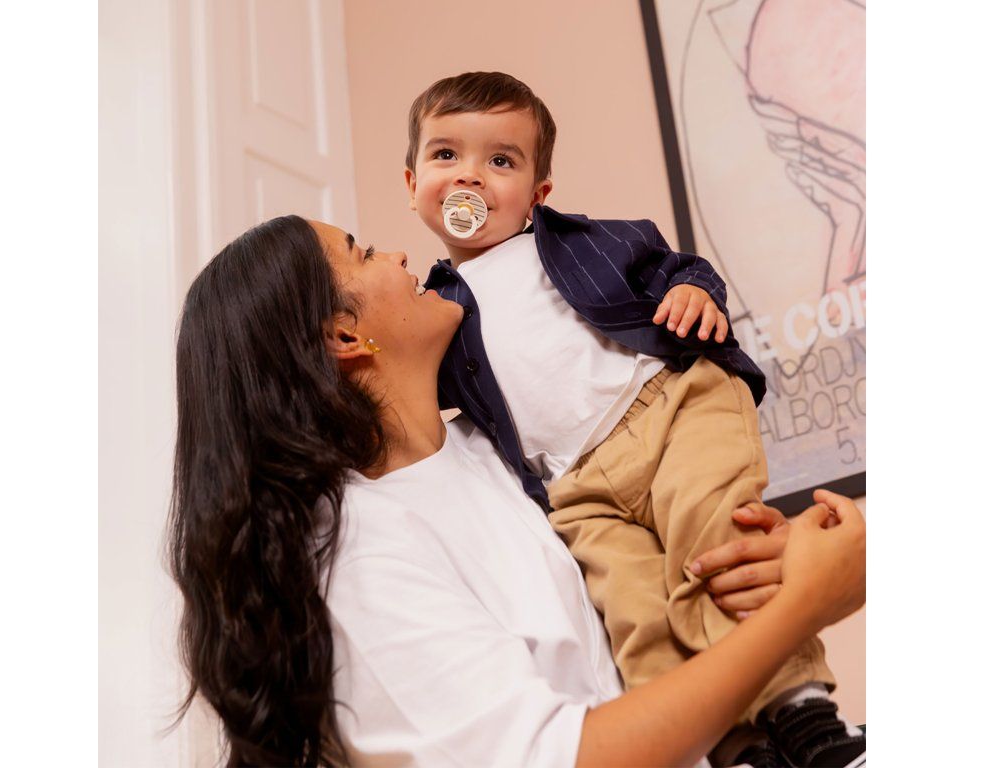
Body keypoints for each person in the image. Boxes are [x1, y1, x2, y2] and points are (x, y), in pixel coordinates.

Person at [167, 214, 866, 767]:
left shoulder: (499, 453)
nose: (401, 257)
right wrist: (806, 602)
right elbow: (562, 758)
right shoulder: (356, 564)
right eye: (365, 252)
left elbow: (644, 572)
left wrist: (753, 559)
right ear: (344, 335)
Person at [408, 71, 863, 766]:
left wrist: (694, 293)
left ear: (537, 193)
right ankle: (733, 748)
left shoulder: (581, 242)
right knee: (635, 610)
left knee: (718, 548)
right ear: (412, 181)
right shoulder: (432, 311)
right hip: (577, 488)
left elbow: (680, 268)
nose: (469, 175)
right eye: (446, 155)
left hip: (669, 411)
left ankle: (808, 720)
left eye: (500, 160)